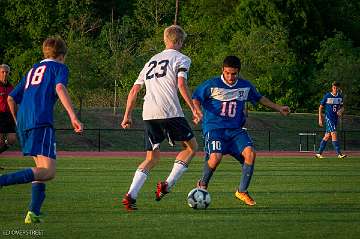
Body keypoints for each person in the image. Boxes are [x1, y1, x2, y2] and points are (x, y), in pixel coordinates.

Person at [1, 37, 83, 223]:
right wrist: (73, 116)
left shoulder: (32, 70)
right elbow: (60, 87)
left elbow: (11, 99)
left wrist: (18, 121)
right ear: (62, 55)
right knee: (48, 172)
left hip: (25, 121)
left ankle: (34, 212)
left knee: (40, 169)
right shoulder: (59, 67)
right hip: (41, 120)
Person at [120, 25, 201, 211]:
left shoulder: (150, 61)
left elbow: (134, 90)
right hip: (169, 111)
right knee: (191, 148)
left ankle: (131, 195)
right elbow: (181, 84)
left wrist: (127, 115)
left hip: (148, 113)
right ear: (180, 41)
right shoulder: (182, 58)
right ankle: (168, 184)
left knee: (152, 157)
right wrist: (194, 108)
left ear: (165, 40)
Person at [192, 55, 290, 206]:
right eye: (227, 73)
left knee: (250, 153)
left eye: (234, 74)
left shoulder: (245, 86)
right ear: (222, 70)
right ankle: (203, 185)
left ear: (238, 72)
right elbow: (196, 97)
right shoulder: (212, 84)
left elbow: (259, 98)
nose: (230, 77)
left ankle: (242, 191)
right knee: (216, 158)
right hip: (215, 128)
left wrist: (278, 107)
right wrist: (197, 111)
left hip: (236, 130)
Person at [315, 81, 346, 159]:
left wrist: (341, 111)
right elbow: (320, 107)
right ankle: (339, 154)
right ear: (332, 88)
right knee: (334, 134)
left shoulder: (340, 97)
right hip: (329, 118)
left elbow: (342, 107)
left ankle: (319, 153)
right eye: (333, 87)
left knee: (327, 136)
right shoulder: (327, 96)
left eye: (336, 87)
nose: (335, 89)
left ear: (338, 88)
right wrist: (320, 118)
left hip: (335, 119)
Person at [0, 64, 17, 162]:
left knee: (12, 139)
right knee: (0, 141)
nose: (5, 74)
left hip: (9, 116)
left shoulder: (11, 87)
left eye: (7, 72)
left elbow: (14, 102)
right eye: (2, 72)